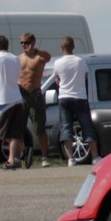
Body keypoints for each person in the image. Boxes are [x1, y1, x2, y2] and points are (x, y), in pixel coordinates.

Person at [44, 36, 91, 166]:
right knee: (86, 126)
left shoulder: (58, 63)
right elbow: (85, 76)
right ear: (73, 47)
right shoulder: (81, 61)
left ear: (62, 47)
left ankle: (70, 158)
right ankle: (95, 156)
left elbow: (58, 80)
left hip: (64, 98)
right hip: (80, 97)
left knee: (66, 128)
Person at [0, 35, 25, 170]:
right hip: (17, 98)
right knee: (14, 133)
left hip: (4, 100)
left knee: (0, 133)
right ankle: (13, 158)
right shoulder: (15, 58)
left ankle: (20, 150)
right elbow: (18, 75)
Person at [17, 33, 52, 167]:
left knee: (39, 128)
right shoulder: (19, 58)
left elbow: (48, 56)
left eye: (26, 42)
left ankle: (44, 157)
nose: (24, 45)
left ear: (32, 42)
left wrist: (35, 50)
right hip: (21, 94)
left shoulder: (39, 57)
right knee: (19, 128)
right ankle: (21, 155)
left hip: (34, 94)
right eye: (22, 43)